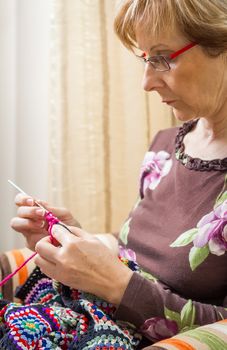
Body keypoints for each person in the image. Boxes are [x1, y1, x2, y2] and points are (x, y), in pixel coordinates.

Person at [6, 0, 227, 348]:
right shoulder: (166, 146)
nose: (147, 82)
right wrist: (74, 242)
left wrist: (115, 285)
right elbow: (139, 250)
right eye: (145, 60)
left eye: (162, 57)